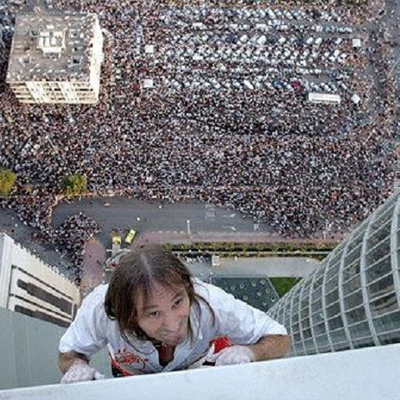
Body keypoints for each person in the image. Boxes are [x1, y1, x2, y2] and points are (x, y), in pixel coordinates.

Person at [58, 245, 291, 383]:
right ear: (127, 315)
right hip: (131, 374)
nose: (173, 326)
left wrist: (250, 351)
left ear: (189, 290)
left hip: (200, 368)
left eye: (178, 302)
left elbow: (279, 337)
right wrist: (77, 366)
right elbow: (69, 353)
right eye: (154, 313)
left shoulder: (209, 300)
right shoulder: (100, 308)